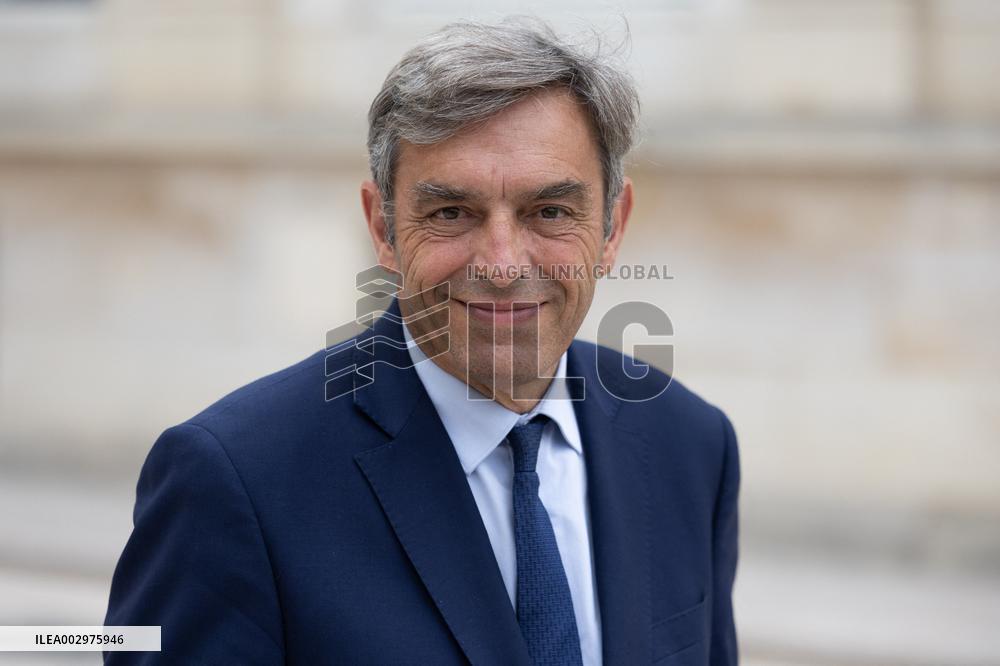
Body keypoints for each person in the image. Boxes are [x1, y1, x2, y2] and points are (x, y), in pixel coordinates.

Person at [105, 17, 739, 665]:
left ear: (612, 227)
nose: (501, 263)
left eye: (549, 211)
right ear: (383, 229)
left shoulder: (691, 446)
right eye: (450, 213)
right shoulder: (232, 480)